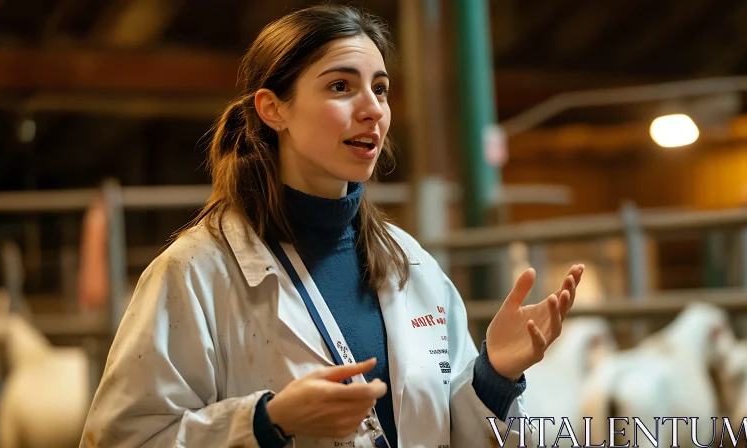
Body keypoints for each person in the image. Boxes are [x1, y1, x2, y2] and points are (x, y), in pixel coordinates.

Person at [78, 5, 584, 448]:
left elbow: (447, 430)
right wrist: (265, 423)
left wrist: (494, 376)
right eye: (341, 86)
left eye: (380, 89)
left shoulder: (412, 266)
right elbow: (123, 438)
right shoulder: (194, 273)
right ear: (273, 109)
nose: (373, 109)